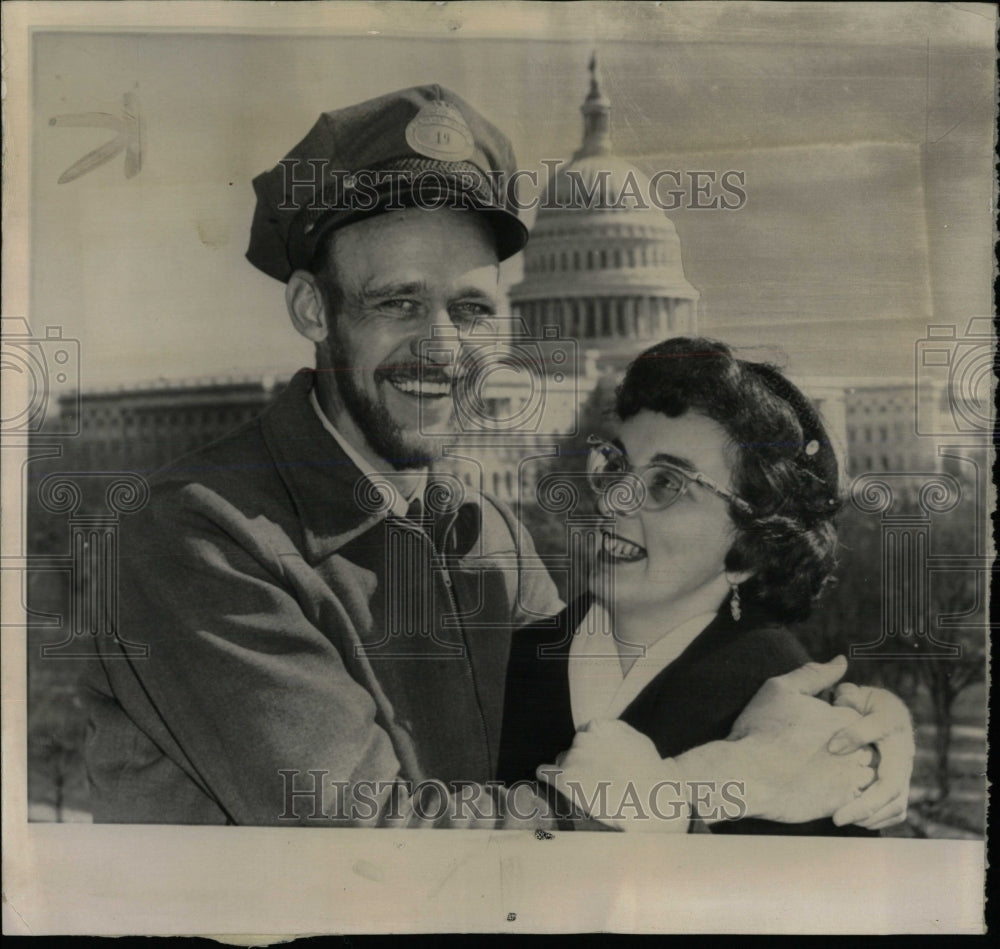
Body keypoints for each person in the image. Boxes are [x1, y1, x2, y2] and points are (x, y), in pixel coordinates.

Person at [80, 85, 913, 830]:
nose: (442, 350)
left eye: (472, 308)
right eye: (398, 301)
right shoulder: (196, 534)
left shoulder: (488, 539)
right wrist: (693, 786)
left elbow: (626, 699)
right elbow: (371, 849)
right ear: (311, 309)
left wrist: (852, 726)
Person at [501, 337, 912, 833]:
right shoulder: (505, 660)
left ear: (750, 548)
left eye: (667, 483)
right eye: (615, 465)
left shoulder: (811, 733)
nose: (613, 501)